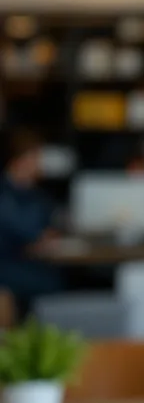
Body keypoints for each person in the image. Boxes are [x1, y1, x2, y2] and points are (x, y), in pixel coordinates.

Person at [0, 130, 61, 319]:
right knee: (52, 283)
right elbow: (28, 231)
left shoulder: (34, 193)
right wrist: (38, 236)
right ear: (19, 160)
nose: (39, 164)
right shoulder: (5, 193)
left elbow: (50, 226)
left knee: (56, 277)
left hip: (27, 260)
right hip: (6, 263)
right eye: (35, 158)